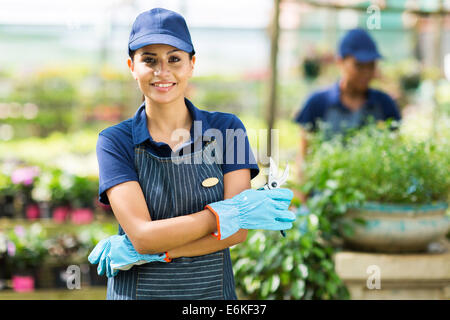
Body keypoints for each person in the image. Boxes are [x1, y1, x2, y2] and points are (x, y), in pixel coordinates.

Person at [87, 8, 295, 300]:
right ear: (132, 66)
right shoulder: (115, 141)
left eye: (174, 59)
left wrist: (154, 253)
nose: (163, 71)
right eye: (149, 60)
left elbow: (236, 233)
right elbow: (143, 236)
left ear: (191, 64)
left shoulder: (227, 130)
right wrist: (223, 216)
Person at [293, 28, 401, 203]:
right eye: (359, 65)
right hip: (324, 201)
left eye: (371, 65)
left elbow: (395, 154)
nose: (366, 73)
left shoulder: (384, 104)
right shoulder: (318, 103)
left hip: (371, 200)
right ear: (340, 62)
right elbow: (304, 158)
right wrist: (300, 203)